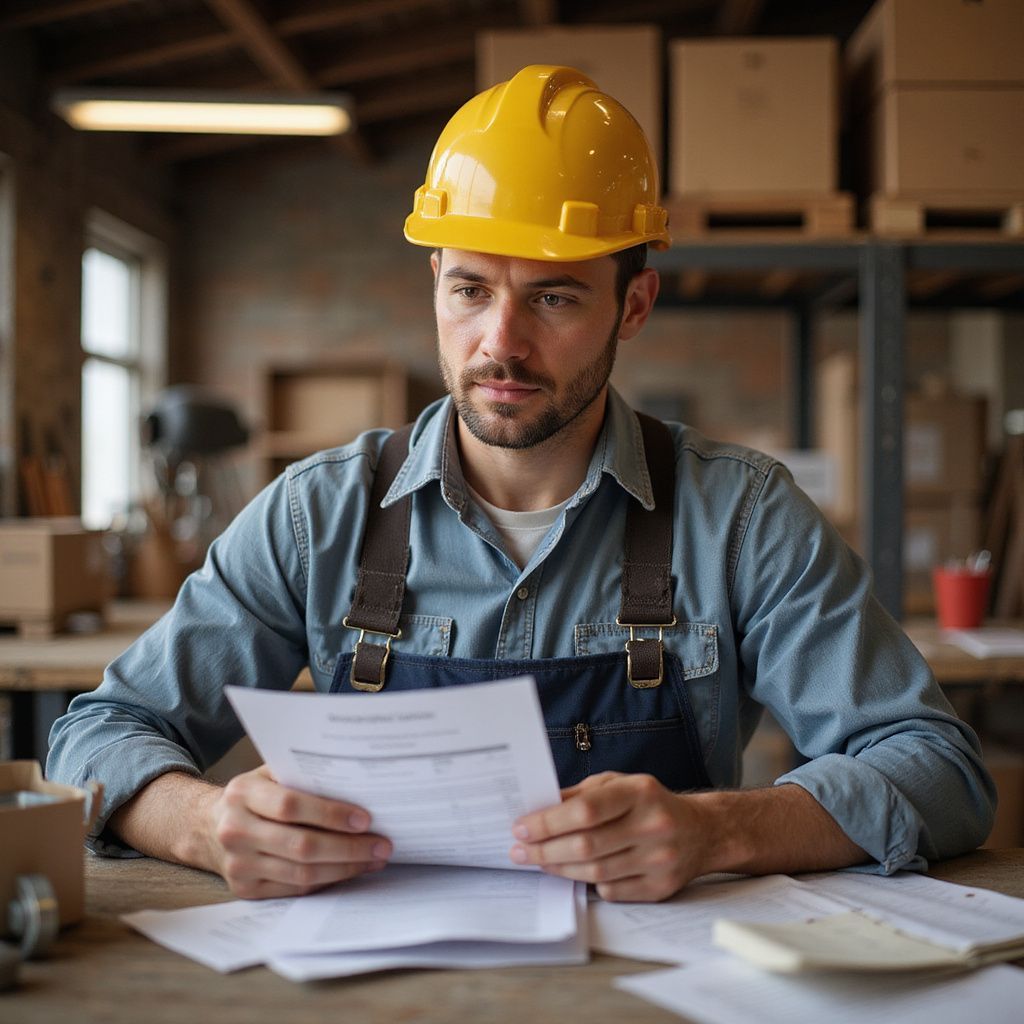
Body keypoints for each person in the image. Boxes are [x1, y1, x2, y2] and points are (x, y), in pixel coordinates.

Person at [48, 65, 994, 903]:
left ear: (634, 304)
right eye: (469, 290)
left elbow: (940, 770)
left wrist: (722, 830)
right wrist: (203, 824)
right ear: (434, 284)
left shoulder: (741, 518)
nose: (499, 342)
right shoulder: (318, 516)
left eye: (552, 295)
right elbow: (99, 731)